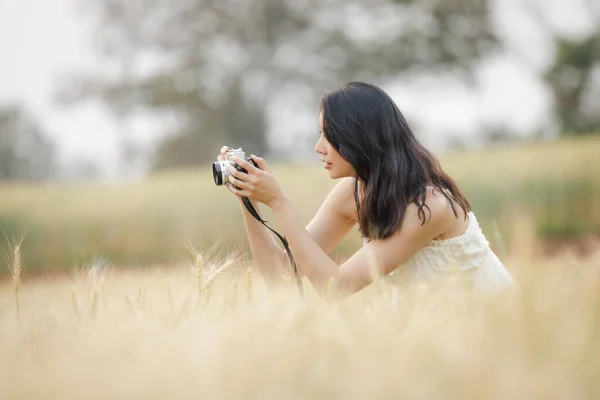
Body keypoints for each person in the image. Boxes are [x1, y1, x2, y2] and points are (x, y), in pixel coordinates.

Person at [219, 82, 516, 298]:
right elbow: (281, 274)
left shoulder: (430, 206)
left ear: (359, 137)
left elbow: (336, 288)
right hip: (434, 339)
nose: (318, 148)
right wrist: (249, 200)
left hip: (492, 328)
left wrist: (279, 202)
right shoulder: (353, 193)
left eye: (329, 136)